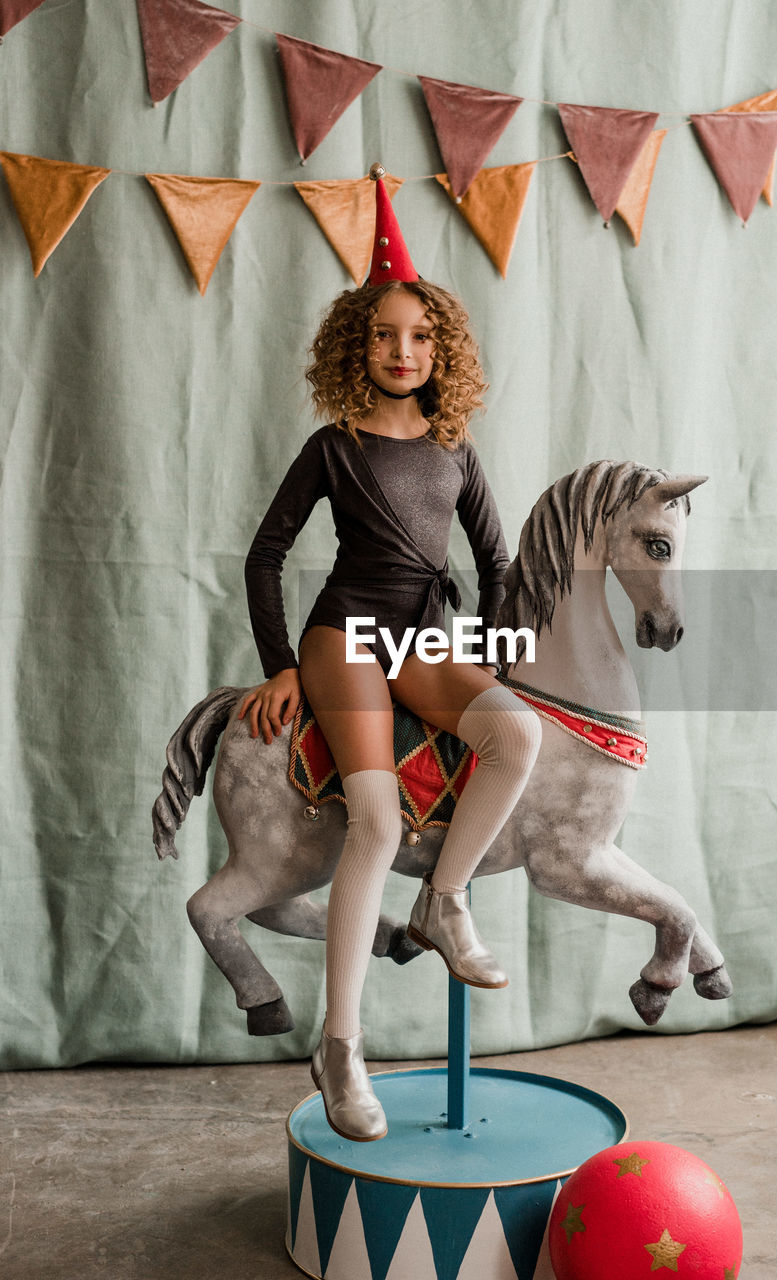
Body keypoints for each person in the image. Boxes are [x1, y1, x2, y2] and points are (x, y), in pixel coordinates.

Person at [239, 168, 541, 1142]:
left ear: (440, 347)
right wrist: (282, 661)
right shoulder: (334, 445)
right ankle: (341, 1044)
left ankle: (442, 902)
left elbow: (496, 559)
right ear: (355, 345)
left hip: (418, 639)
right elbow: (267, 551)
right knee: (372, 819)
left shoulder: (453, 445)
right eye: (383, 333)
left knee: (518, 731)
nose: (402, 349)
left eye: (419, 335)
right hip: (345, 636)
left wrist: (492, 654)